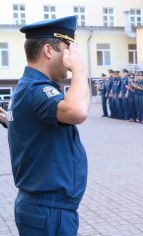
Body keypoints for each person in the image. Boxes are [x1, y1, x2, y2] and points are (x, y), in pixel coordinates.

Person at [7, 16, 90, 235]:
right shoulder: (37, 89)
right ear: (48, 51)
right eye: (67, 49)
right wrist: (80, 70)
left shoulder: (27, 87)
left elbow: (30, 125)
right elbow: (77, 111)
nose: (71, 58)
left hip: (44, 207)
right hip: (49, 210)